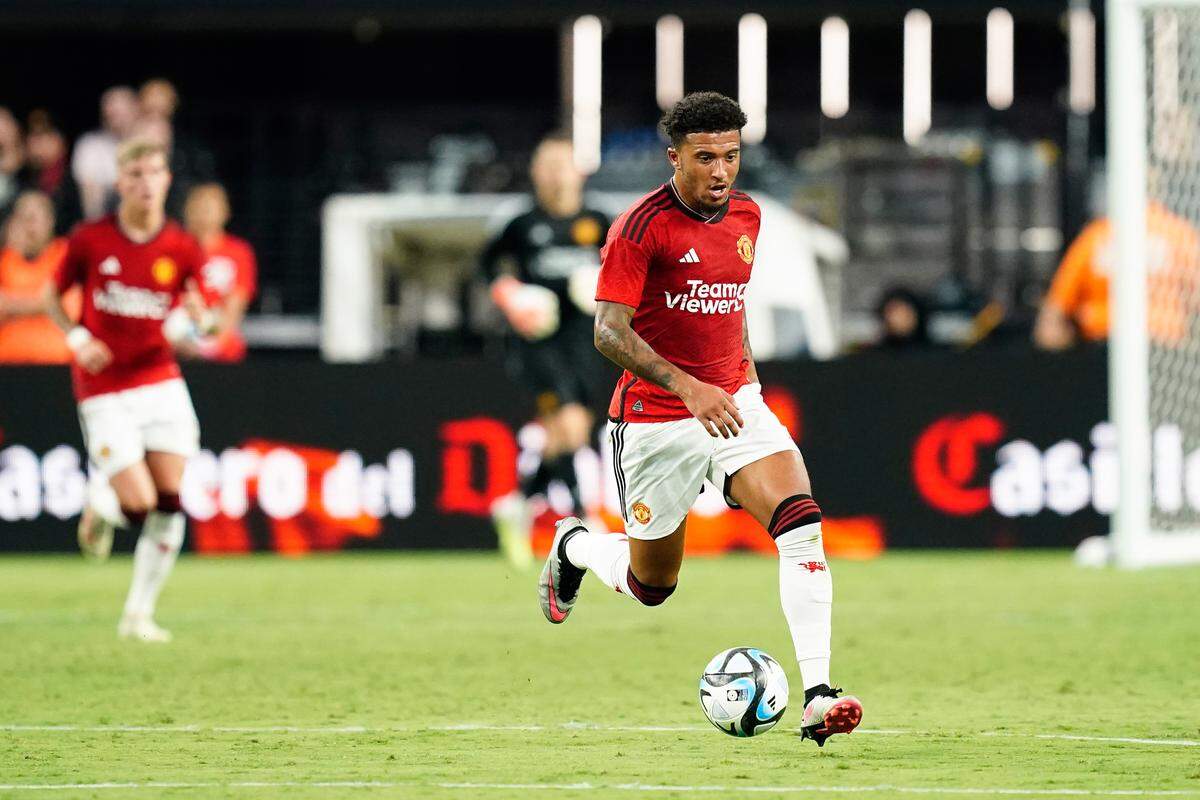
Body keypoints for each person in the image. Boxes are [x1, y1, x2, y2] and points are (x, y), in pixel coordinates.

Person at [536, 92, 863, 747]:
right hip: (655, 422)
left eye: (732, 156)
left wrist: (747, 381)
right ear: (675, 158)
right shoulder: (639, 227)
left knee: (800, 521)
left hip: (734, 405)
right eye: (706, 157)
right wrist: (688, 388)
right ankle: (573, 546)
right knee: (651, 584)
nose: (721, 171)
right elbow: (608, 332)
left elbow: (730, 306)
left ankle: (818, 695)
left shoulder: (748, 215)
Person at [45, 137, 215, 643]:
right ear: (120, 182)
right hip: (103, 386)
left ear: (166, 180)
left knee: (170, 500)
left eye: (154, 173)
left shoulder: (182, 246)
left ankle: (138, 615)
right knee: (138, 505)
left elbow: (198, 318)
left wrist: (196, 325)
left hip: (160, 381)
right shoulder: (91, 239)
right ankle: (103, 503)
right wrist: (77, 336)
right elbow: (52, 294)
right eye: (135, 174)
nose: (145, 183)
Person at [481, 132, 611, 569]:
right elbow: (493, 269)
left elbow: (629, 270)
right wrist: (512, 296)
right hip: (537, 341)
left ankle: (517, 504)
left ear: (578, 171)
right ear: (536, 173)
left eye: (563, 164)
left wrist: (601, 288)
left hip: (586, 339)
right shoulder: (521, 225)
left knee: (566, 433)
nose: (555, 174)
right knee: (570, 428)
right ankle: (583, 519)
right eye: (547, 165)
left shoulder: (600, 221)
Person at [1034, 204, 1200, 350]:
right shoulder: (1178, 233)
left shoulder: (1098, 234)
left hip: (1130, 342)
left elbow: (1051, 319)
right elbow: (1054, 314)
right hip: (1153, 342)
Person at [182, 183, 257, 361]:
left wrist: (210, 342)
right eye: (199, 206)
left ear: (225, 211)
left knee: (229, 344)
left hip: (218, 334)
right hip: (179, 329)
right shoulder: (176, 249)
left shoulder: (238, 252)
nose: (204, 211)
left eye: (211, 206)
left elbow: (236, 304)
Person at [0, 191, 77, 363]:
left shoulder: (66, 255)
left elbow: (72, 307)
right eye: (21, 218)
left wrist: (11, 305)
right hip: (7, 365)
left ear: (50, 221)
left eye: (33, 218)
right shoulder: (5, 261)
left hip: (55, 367)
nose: (28, 227)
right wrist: (44, 304)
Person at [71, 86, 139, 220]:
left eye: (121, 112)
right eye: (112, 112)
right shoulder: (89, 145)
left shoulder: (147, 142)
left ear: (135, 109)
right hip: (104, 218)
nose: (116, 117)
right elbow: (90, 198)